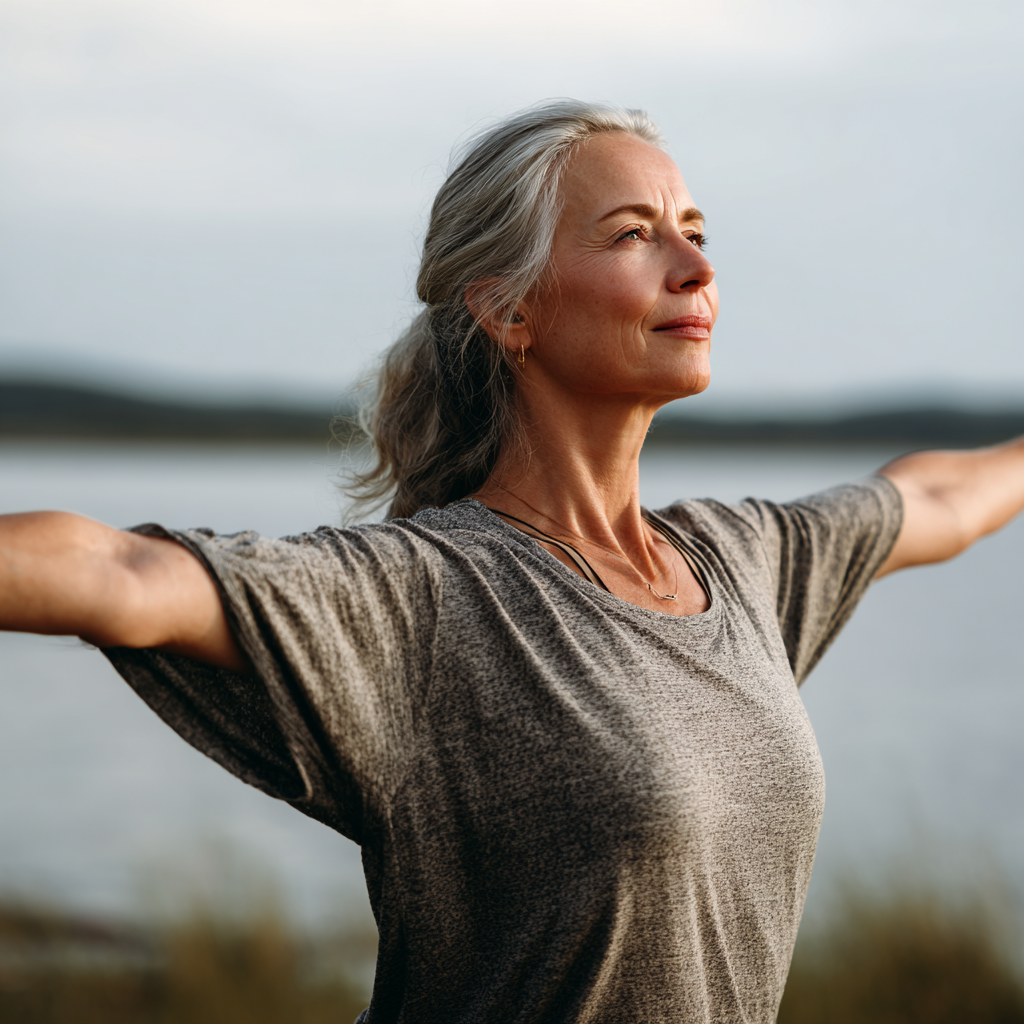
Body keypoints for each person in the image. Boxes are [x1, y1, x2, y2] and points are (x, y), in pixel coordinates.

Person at [2, 100, 1023, 1023]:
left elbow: (933, 497)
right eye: (634, 234)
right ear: (509, 309)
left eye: (695, 232)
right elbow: (119, 575)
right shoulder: (421, 596)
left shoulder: (744, 561)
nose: (696, 267)